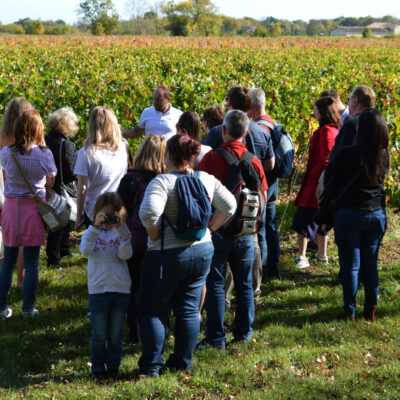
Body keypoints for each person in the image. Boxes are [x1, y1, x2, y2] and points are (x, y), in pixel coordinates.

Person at [137, 133, 236, 377]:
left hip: (166, 254)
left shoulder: (161, 182)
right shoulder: (206, 179)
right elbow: (231, 205)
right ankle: (182, 363)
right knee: (190, 310)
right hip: (202, 251)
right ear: (193, 156)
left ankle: (151, 366)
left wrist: (154, 235)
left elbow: (148, 213)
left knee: (153, 309)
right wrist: (210, 228)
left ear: (168, 155)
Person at [197, 110, 268, 348]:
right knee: (245, 283)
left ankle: (216, 336)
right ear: (246, 132)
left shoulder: (211, 159)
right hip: (246, 232)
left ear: (223, 131)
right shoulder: (253, 161)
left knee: (216, 284)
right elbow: (263, 196)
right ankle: (243, 333)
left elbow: (201, 195)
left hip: (217, 230)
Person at [325, 109, 389, 322]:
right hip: (376, 212)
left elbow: (330, 173)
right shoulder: (384, 155)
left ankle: (349, 311)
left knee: (350, 266)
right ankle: (370, 308)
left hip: (349, 213)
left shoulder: (347, 153)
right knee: (371, 264)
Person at [0, 109, 57, 319]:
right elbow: (50, 180)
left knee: (8, 259)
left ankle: (1, 306)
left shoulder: (6, 152)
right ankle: (27, 308)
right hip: (34, 208)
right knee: (32, 261)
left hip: (11, 206)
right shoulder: (45, 154)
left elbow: (6, 176)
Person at [117, 134, 166, 344]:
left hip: (134, 239)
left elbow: (121, 209)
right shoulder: (165, 179)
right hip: (159, 241)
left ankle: (134, 331)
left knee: (133, 285)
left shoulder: (129, 180)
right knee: (160, 287)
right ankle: (162, 328)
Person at [79, 192, 132, 381]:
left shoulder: (122, 232)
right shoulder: (91, 233)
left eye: (112, 215)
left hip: (120, 290)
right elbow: (84, 251)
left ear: (120, 214)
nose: (108, 219)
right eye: (104, 215)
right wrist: (95, 226)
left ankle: (113, 367)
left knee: (116, 334)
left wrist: (122, 228)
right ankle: (98, 368)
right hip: (98, 289)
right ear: (97, 214)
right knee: (100, 334)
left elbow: (125, 255)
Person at [291, 96, 340, 269]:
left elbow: (326, 159)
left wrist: (313, 175)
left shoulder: (327, 131)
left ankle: (302, 256)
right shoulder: (332, 129)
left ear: (322, 112)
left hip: (317, 183)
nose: (314, 112)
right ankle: (322, 254)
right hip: (322, 181)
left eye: (316, 110)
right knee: (321, 217)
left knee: (303, 217)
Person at [74, 106, 129, 229]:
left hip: (95, 210)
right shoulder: (123, 146)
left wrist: (78, 216)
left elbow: (82, 188)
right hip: (118, 208)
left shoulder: (85, 153)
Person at [0, 97, 34, 288]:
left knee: (7, 239)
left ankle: (4, 281)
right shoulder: (32, 137)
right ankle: (21, 281)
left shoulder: (2, 137)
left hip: (5, 192)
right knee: (25, 242)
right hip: (26, 194)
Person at [248, 87, 281, 278]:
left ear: (252, 106)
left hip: (263, 183)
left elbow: (266, 163)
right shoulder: (273, 123)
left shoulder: (259, 128)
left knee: (260, 227)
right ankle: (273, 265)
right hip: (274, 182)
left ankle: (264, 267)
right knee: (271, 224)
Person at [45, 107, 79, 270]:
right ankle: (54, 260)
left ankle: (64, 250)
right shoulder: (65, 144)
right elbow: (72, 170)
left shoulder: (45, 140)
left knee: (58, 223)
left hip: (48, 187)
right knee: (61, 224)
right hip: (61, 188)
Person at [328, 85, 375, 162]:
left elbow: (339, 157)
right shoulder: (379, 124)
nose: (348, 102)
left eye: (349, 99)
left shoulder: (352, 125)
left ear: (355, 101)